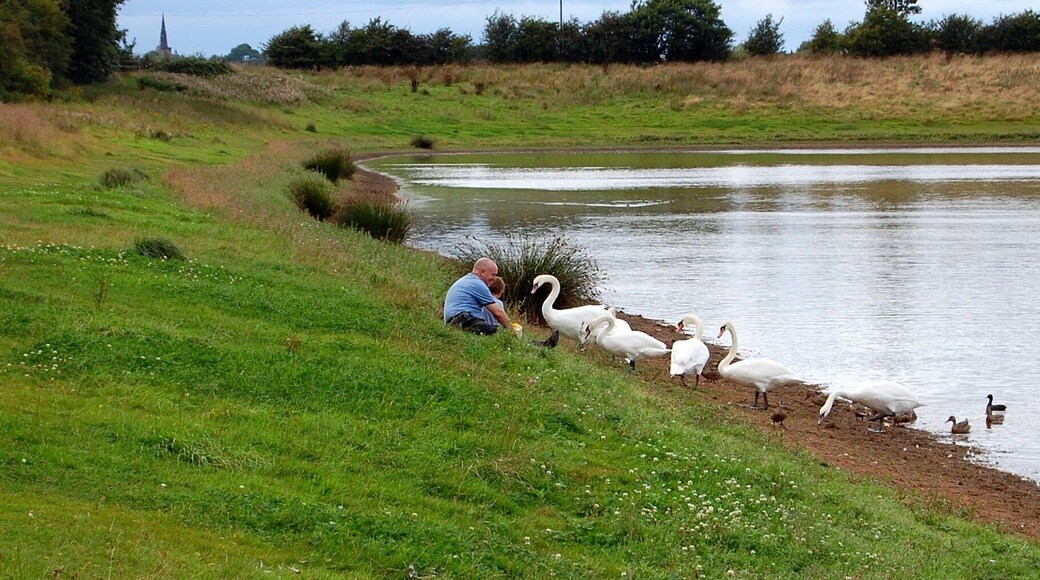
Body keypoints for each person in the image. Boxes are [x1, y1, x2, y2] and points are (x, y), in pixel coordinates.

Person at [443, 257, 512, 335]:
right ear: (482, 272)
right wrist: (511, 329)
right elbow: (498, 313)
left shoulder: (468, 280)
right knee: (499, 333)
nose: (494, 279)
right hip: (462, 319)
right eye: (493, 275)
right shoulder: (478, 284)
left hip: (454, 320)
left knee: (491, 330)